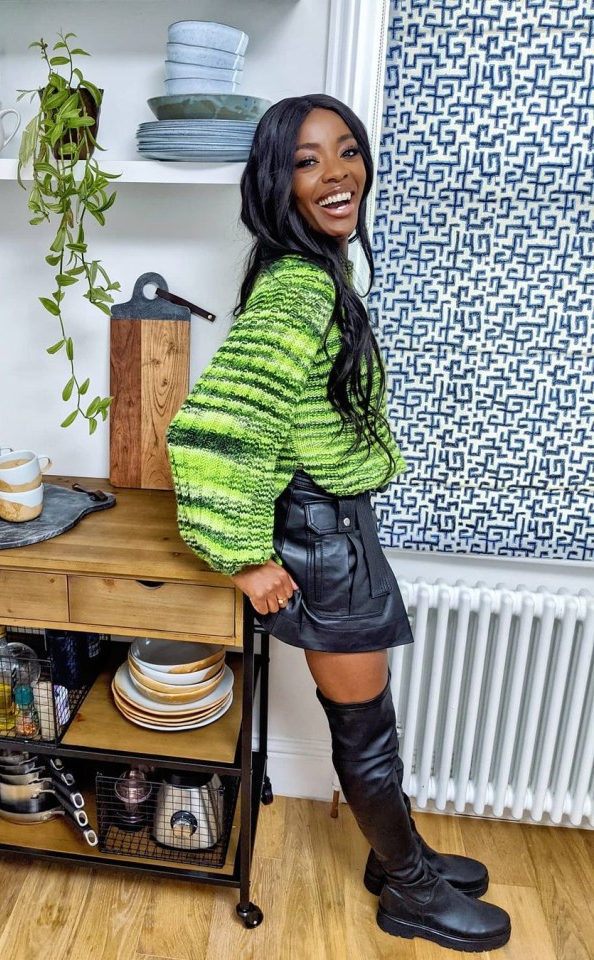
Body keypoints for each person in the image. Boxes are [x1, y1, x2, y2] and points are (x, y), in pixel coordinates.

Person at [166, 93, 511, 951]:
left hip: (337, 530)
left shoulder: (317, 270)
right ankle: (411, 892)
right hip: (322, 544)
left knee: (372, 729)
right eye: (308, 160)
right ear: (276, 182)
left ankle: (397, 855)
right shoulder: (296, 287)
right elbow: (214, 433)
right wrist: (243, 558)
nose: (337, 173)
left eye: (347, 151)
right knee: (365, 735)